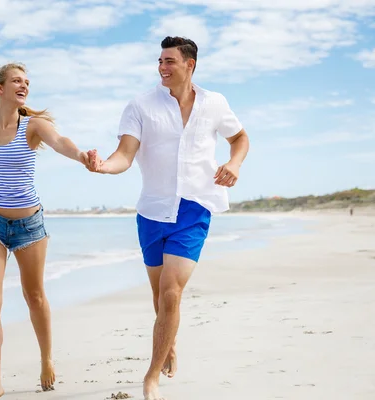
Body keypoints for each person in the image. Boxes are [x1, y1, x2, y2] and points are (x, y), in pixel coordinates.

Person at [86, 36, 250, 400]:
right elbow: (125, 155)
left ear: (190, 64)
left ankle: (151, 377)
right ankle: (168, 343)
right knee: (160, 296)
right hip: (152, 211)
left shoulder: (215, 103)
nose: (162, 67)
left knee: (171, 294)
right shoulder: (141, 105)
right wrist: (103, 166)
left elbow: (240, 138)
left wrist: (234, 163)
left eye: (170, 61)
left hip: (194, 207)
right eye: (160, 61)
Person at [0, 62, 90, 400]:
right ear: (0, 88)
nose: (25, 86)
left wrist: (81, 156)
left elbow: (61, 142)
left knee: (34, 296)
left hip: (28, 225)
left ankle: (47, 358)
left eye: (27, 82)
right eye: (17, 81)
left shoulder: (34, 126)